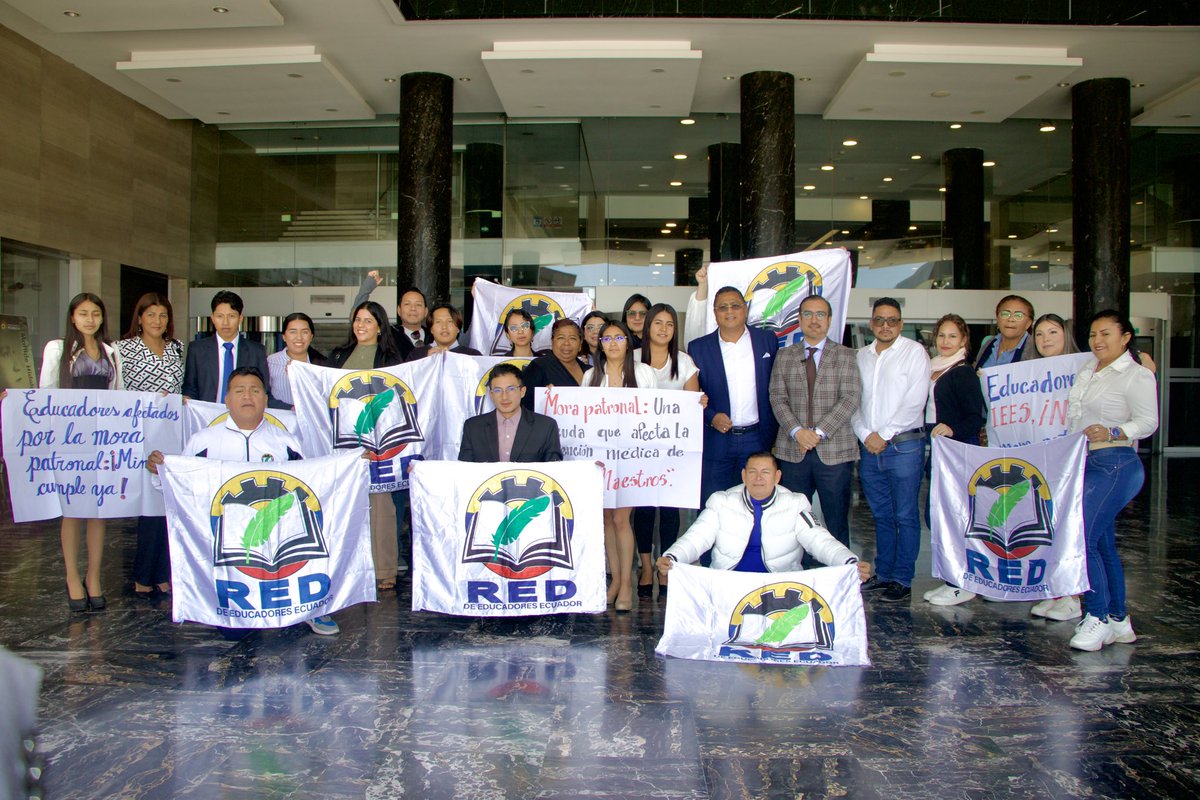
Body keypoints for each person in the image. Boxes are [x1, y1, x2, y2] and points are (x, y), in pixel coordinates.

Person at [146, 367, 339, 636]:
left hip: (279, 538)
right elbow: (180, 487)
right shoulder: (203, 441)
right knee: (232, 630)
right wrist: (160, 470)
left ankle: (310, 609)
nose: (247, 396)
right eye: (240, 390)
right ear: (227, 399)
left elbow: (311, 489)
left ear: (265, 399)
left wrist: (350, 467)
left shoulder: (286, 442)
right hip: (224, 544)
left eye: (255, 390)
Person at [1066, 311, 1158, 652]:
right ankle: (1118, 619)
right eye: (1092, 334)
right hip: (1087, 462)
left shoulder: (1136, 375)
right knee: (1101, 543)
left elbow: (1148, 422)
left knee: (1081, 538)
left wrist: (1115, 430)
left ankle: (1097, 616)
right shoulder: (1088, 371)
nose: (1098, 340)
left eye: (1105, 333)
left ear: (1126, 337)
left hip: (1116, 463)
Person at [656, 452, 871, 580]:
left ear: (777, 476)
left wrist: (849, 562)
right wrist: (672, 557)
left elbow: (820, 540)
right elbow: (697, 536)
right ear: (743, 475)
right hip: (728, 586)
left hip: (778, 588)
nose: (758, 478)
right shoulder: (721, 502)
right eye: (752, 472)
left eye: (765, 472)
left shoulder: (795, 504)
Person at [40, 293, 123, 612]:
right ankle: (72, 576)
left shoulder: (111, 352)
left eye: (96, 314)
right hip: (68, 437)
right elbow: (45, 391)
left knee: (98, 509)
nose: (90, 319)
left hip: (102, 436)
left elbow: (119, 395)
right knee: (73, 508)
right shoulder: (57, 349)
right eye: (83, 313)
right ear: (72, 317)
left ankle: (94, 576)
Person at [851, 297, 930, 604]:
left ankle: (902, 579)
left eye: (892, 320)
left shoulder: (914, 353)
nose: (886, 326)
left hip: (904, 446)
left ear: (901, 322)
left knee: (905, 514)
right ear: (872, 323)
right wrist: (866, 434)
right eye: (880, 320)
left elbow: (914, 402)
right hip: (870, 448)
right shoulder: (861, 356)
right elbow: (854, 402)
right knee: (881, 516)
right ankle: (883, 574)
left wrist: (882, 435)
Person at [768, 294, 861, 553]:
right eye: (808, 314)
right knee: (793, 519)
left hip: (834, 452)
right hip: (792, 450)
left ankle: (840, 573)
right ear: (799, 319)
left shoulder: (845, 355)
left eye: (820, 314)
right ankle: (797, 572)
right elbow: (777, 397)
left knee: (836, 520)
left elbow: (850, 398)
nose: (814, 320)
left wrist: (818, 433)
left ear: (830, 320)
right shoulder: (784, 356)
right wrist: (797, 431)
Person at [330, 301, 405, 592]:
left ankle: (385, 569)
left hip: (379, 442)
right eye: (358, 320)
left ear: (379, 325)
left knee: (382, 508)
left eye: (368, 321)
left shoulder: (390, 357)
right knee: (346, 507)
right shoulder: (338, 354)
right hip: (344, 441)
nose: (361, 325)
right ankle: (347, 567)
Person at [584, 321, 658, 611]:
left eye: (618, 337)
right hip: (600, 458)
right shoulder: (591, 375)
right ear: (600, 344)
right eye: (606, 338)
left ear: (628, 342)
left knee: (621, 520)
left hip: (632, 456)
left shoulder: (644, 373)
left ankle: (627, 582)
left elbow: (658, 413)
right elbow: (580, 416)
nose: (613, 343)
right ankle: (614, 580)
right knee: (605, 520)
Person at [632, 303, 703, 599]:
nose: (663, 329)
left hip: (675, 449)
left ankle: (667, 565)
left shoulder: (684, 361)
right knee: (645, 508)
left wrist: (699, 403)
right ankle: (646, 566)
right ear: (647, 326)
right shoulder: (631, 358)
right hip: (639, 447)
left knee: (672, 509)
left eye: (669, 324)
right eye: (658, 322)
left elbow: (692, 400)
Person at [118, 293, 186, 599]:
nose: (157, 321)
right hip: (139, 436)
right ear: (140, 318)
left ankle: (163, 572)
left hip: (171, 435)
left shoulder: (177, 348)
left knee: (166, 506)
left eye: (162, 315)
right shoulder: (123, 350)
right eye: (151, 315)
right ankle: (142, 575)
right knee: (147, 509)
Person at [689, 286, 779, 506]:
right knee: (712, 505)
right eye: (723, 307)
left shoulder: (767, 340)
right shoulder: (698, 348)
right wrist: (711, 417)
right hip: (716, 439)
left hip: (757, 438)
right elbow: (692, 396)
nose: (730, 311)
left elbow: (777, 387)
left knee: (756, 503)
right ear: (714, 312)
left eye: (735, 305)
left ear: (746, 309)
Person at [921, 314, 988, 607]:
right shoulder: (931, 368)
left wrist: (953, 428)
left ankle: (963, 582)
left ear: (964, 341)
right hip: (938, 451)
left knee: (955, 518)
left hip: (958, 452)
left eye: (952, 336)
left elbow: (976, 417)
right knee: (937, 516)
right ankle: (952, 578)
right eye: (941, 336)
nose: (945, 342)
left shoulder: (962, 373)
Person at [458, 363, 564, 463]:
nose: (504, 397)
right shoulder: (473, 427)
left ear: (522, 392)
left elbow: (552, 473)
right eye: (498, 390)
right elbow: (465, 472)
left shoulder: (545, 426)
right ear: (491, 394)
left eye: (511, 389)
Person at [182, 290, 271, 404]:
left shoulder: (256, 351)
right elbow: (190, 387)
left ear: (240, 318)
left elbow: (264, 391)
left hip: (242, 417)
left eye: (231, 316)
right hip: (207, 417)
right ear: (213, 318)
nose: (225, 322)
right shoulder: (197, 349)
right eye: (220, 316)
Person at [352, 270, 431, 360]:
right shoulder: (388, 334)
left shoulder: (434, 335)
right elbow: (357, 317)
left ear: (426, 311)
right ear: (399, 310)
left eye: (418, 304)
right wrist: (366, 289)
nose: (413, 308)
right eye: (407, 304)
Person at [267, 312, 329, 409]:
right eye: (293, 332)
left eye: (304, 332)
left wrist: (301, 377)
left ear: (311, 336)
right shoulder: (270, 363)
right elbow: (265, 396)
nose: (299, 337)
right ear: (284, 336)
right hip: (279, 421)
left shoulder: (321, 366)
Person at [521, 319, 587, 409]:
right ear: (552, 341)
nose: (566, 343)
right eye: (561, 338)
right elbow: (522, 403)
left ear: (580, 344)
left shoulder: (589, 371)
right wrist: (544, 399)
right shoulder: (538, 366)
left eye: (572, 338)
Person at [974, 294, 1037, 368]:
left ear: (1028, 323)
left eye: (1018, 315)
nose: (1010, 319)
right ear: (997, 318)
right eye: (1005, 314)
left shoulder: (1035, 347)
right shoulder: (989, 343)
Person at [406, 302, 480, 360]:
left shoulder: (473, 355)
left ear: (458, 328)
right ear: (431, 329)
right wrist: (427, 362)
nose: (444, 327)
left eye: (449, 321)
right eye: (438, 322)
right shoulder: (416, 355)